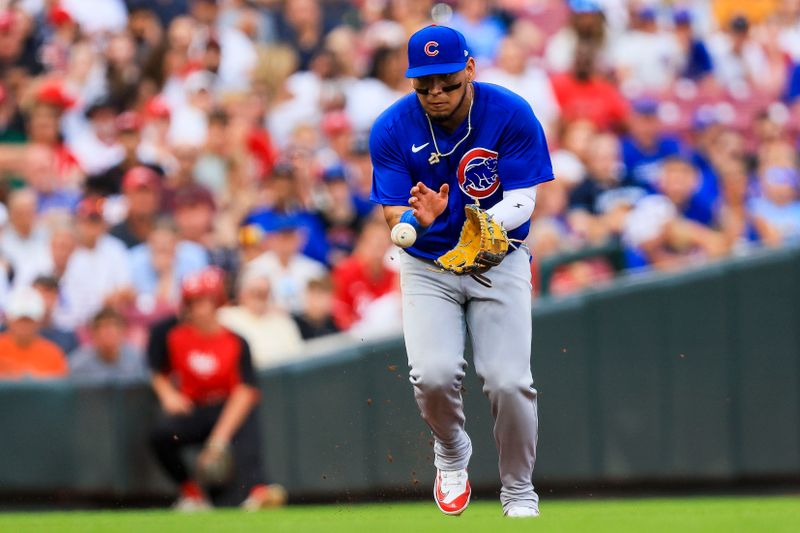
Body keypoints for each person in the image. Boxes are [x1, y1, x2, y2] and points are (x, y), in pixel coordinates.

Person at [369, 26, 553, 518]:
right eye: (422, 83)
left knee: (509, 381)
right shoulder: (391, 127)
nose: (434, 93)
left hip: (499, 258)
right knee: (432, 375)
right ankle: (451, 450)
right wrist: (416, 218)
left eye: (445, 81)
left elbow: (523, 198)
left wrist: (478, 224)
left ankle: (518, 491)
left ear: (469, 69)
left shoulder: (509, 111)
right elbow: (394, 220)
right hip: (429, 265)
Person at [147, 267, 286, 510]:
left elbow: (244, 393)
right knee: (161, 436)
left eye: (205, 302)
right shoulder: (173, 336)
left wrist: (218, 441)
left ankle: (258, 489)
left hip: (226, 408)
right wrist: (168, 394)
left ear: (217, 303)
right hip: (195, 409)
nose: (200, 310)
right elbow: (157, 371)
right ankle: (191, 494)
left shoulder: (236, 341)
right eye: (194, 303)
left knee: (248, 421)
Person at [218, 270, 303, 369]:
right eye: (254, 292)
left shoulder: (283, 321)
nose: (258, 297)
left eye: (263, 293)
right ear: (241, 294)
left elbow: (298, 357)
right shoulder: (226, 317)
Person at [0, 286, 68, 380]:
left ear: (39, 321)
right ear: (9, 320)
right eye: (19, 320)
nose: (24, 325)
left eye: (29, 320)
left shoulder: (53, 353)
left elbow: (60, 387)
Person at [69, 307, 147, 384]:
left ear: (123, 331)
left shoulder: (138, 360)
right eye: (103, 327)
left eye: (113, 326)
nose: (108, 332)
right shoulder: (78, 363)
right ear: (93, 334)